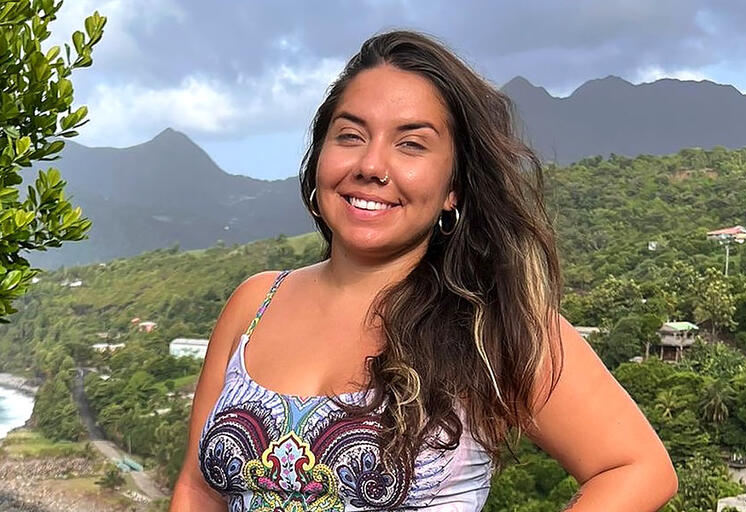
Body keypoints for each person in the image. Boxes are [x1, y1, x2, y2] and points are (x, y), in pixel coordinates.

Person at [169, 29, 677, 511]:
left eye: (411, 143)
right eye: (350, 135)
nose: (371, 165)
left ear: (453, 187)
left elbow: (637, 467)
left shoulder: (489, 324)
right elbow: (197, 489)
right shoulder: (257, 301)